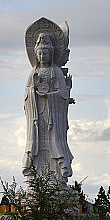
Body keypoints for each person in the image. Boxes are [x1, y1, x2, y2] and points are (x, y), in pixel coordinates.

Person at [23, 29, 73, 183]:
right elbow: (27, 95)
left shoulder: (56, 71)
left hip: (53, 115)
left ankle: (57, 176)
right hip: (37, 115)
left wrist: (51, 96)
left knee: (54, 142)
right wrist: (33, 90)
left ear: (51, 53)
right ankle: (35, 177)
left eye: (45, 53)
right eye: (40, 53)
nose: (42, 56)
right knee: (36, 144)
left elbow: (63, 94)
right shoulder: (33, 72)